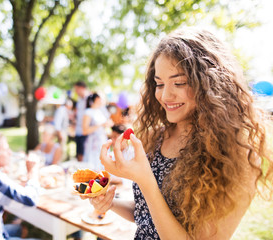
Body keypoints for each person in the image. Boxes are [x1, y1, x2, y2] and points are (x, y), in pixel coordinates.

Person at [87, 28, 273, 239]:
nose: (165, 95)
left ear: (210, 84)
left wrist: (146, 181)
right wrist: (110, 202)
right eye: (159, 84)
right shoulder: (157, 137)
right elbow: (146, 214)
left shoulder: (236, 157)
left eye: (179, 83)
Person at [82, 93, 112, 171]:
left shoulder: (100, 111)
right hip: (93, 144)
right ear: (96, 99)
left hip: (102, 141)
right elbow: (85, 131)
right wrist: (101, 125)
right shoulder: (88, 112)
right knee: (93, 167)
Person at [73, 81, 90, 162]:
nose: (76, 92)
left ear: (82, 88)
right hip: (78, 130)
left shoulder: (90, 99)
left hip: (86, 132)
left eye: (77, 89)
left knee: (85, 154)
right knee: (78, 153)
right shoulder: (79, 101)